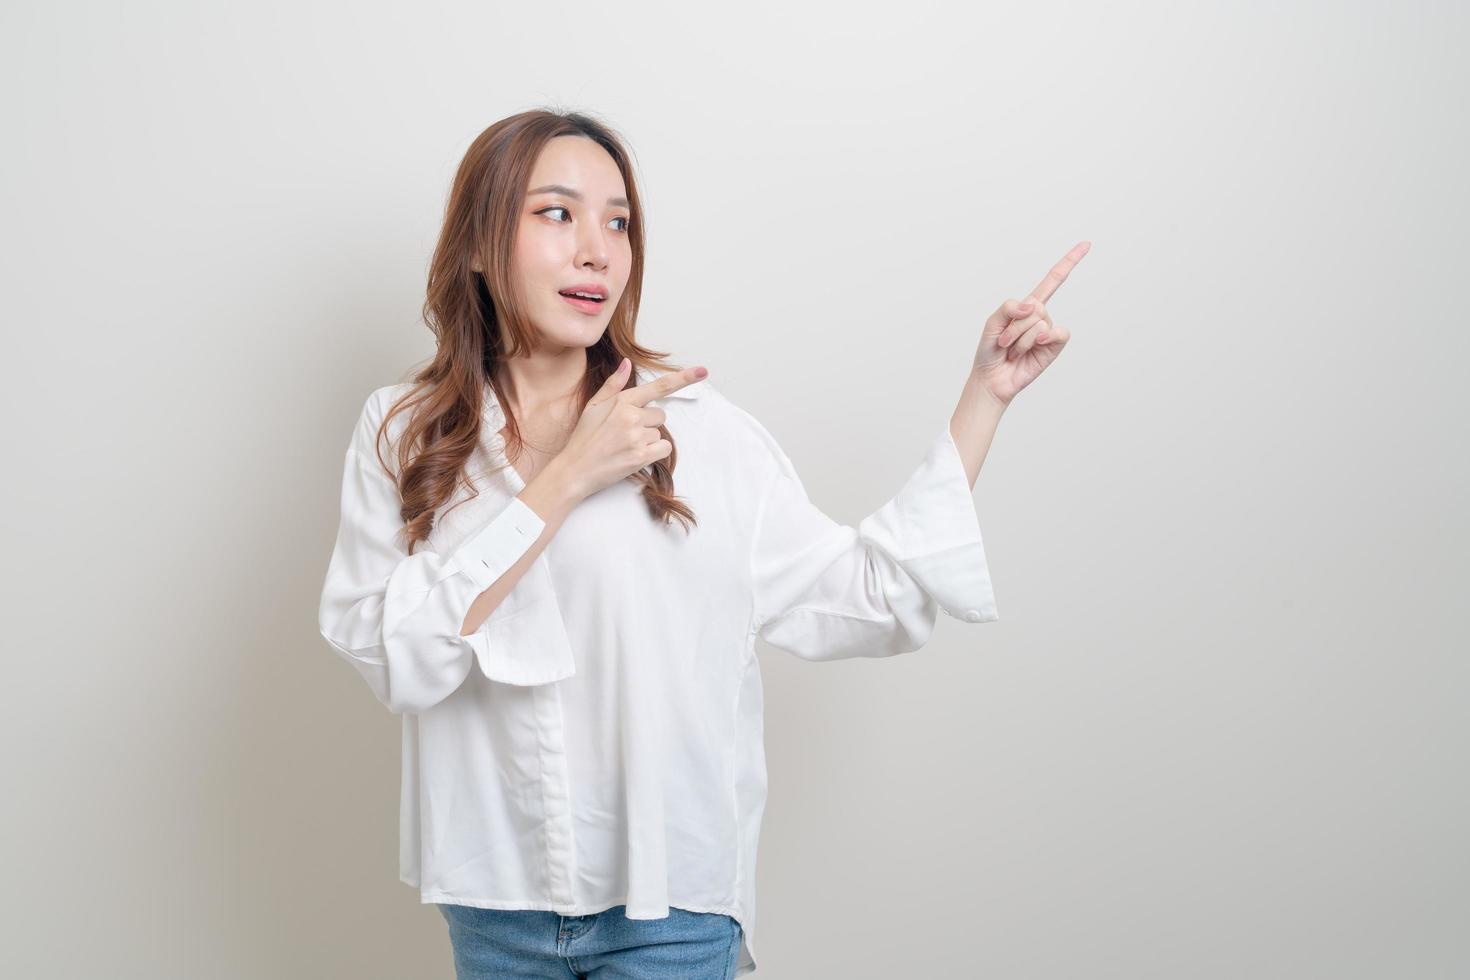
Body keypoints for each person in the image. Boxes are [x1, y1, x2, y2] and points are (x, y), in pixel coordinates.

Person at [317, 107, 1089, 979]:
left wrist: (984, 396)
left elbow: (873, 598)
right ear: (479, 245)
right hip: (494, 905)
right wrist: (565, 478)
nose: (597, 251)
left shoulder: (701, 432)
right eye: (557, 213)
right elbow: (398, 659)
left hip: (671, 914)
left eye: (619, 222)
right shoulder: (404, 430)